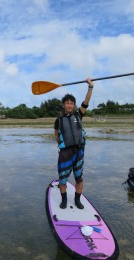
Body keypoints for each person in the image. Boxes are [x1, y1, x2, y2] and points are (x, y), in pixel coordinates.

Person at [54, 78, 93, 210]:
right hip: (65, 153)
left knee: (79, 178)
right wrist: (62, 146)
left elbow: (86, 102)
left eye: (72, 103)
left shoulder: (79, 115)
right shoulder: (58, 120)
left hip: (78, 152)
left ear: (74, 105)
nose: (69, 105)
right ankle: (64, 200)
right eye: (67, 103)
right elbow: (56, 135)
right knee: (63, 179)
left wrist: (90, 87)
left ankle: (77, 200)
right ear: (63, 105)